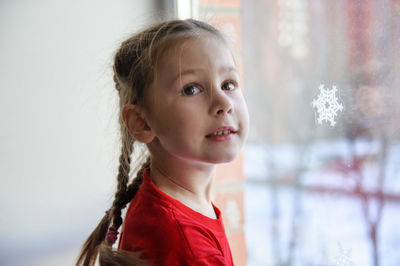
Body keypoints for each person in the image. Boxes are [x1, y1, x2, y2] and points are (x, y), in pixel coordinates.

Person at [76, 18, 249, 266]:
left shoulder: (162, 204)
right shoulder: (187, 245)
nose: (224, 103)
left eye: (228, 84)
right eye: (191, 89)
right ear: (142, 122)